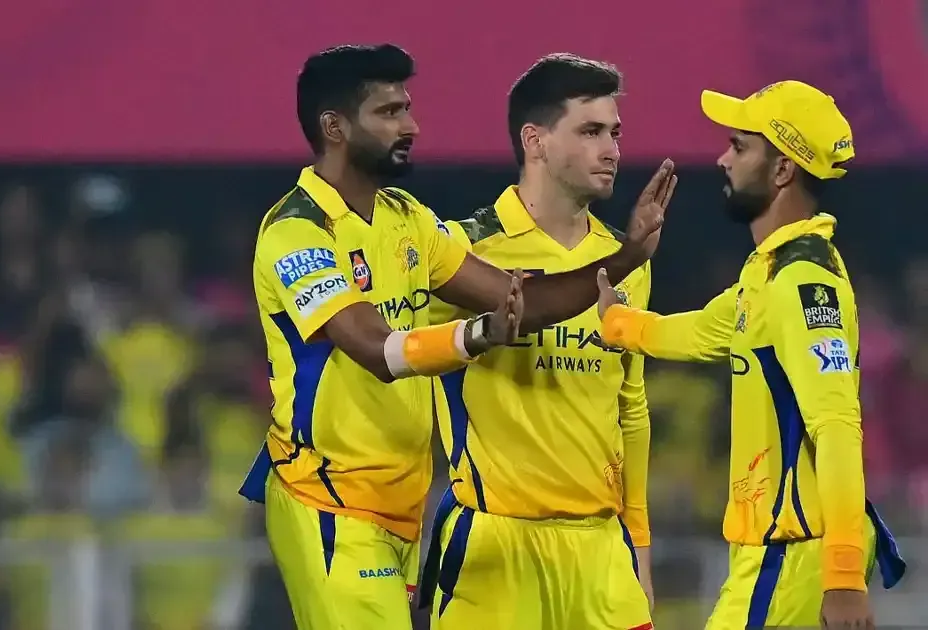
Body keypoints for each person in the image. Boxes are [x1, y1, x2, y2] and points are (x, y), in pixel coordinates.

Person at [237, 43, 675, 630]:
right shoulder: (297, 232)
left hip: (403, 505)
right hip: (328, 496)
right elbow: (376, 350)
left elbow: (519, 300)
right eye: (389, 112)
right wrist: (479, 335)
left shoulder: (407, 219)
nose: (411, 126)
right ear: (334, 127)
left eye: (407, 108)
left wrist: (623, 260)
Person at [597, 80, 906, 629]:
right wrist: (616, 321)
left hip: (795, 556)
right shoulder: (767, 273)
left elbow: (837, 427)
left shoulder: (803, 282)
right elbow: (699, 332)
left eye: (739, 146)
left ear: (783, 169)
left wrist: (841, 576)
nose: (722, 159)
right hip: (779, 553)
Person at [420, 53, 658, 630]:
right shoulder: (465, 251)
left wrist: (640, 549)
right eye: (590, 131)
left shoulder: (626, 261)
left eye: (615, 133)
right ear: (536, 141)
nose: (612, 150)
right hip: (495, 548)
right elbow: (406, 374)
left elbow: (630, 408)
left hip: (603, 555)